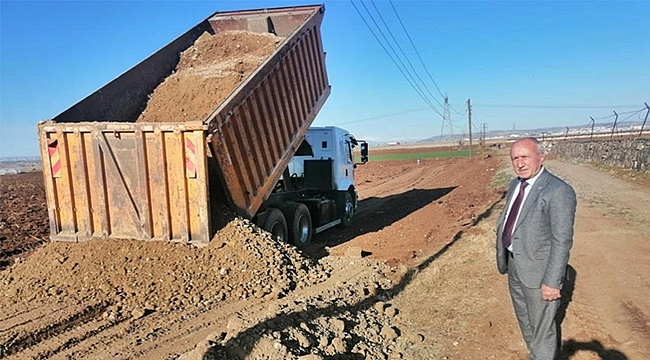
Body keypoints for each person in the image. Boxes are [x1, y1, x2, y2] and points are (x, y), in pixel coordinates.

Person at [496, 137, 577, 359]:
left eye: (525, 157)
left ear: (541, 158)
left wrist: (552, 281)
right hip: (514, 264)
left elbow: (562, 240)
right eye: (515, 158)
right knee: (525, 319)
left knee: (542, 329)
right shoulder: (515, 184)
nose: (519, 163)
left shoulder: (558, 191)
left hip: (539, 272)